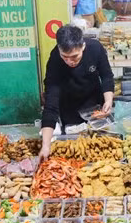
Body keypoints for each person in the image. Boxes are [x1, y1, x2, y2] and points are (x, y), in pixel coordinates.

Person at [38, 25, 114, 160]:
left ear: (83, 46)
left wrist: (108, 101)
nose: (69, 61)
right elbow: (51, 103)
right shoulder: (55, 60)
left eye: (74, 56)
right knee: (75, 149)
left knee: (98, 146)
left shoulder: (95, 48)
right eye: (65, 57)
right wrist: (46, 146)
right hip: (69, 105)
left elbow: (106, 76)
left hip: (95, 105)